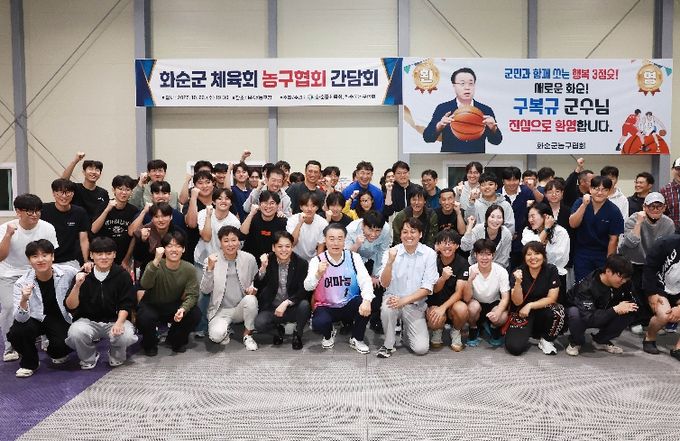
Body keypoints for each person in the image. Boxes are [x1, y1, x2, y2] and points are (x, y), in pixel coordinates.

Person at [0, 194, 58, 363]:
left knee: (47, 302)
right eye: (30, 211)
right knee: (10, 307)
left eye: (37, 211)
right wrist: (8, 235)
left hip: (37, 272)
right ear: (18, 212)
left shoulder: (47, 228)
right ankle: (10, 347)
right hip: (9, 273)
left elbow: (50, 255)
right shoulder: (5, 228)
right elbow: (1, 257)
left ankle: (47, 336)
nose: (35, 215)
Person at [6, 240, 77, 377]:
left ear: (52, 256)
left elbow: (85, 275)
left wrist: (87, 268)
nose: (40, 260)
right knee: (17, 332)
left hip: (59, 318)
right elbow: (20, 319)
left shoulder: (68, 272)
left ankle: (54, 350)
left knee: (63, 348)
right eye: (35, 256)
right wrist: (24, 300)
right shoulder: (21, 283)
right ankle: (29, 363)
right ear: (29, 260)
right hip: (35, 318)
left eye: (45, 255)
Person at [64, 237, 137, 369]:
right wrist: (77, 286)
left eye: (108, 253)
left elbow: (126, 303)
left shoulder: (122, 275)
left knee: (125, 334)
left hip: (115, 320)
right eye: (99, 254)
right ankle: (89, 357)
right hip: (88, 321)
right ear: (92, 255)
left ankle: (116, 355)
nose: (104, 257)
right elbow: (70, 306)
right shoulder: (83, 275)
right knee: (75, 333)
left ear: (114, 254)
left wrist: (120, 322)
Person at [304, 223, 374, 353]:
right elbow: (307, 287)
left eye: (340, 239)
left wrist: (367, 300)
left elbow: (366, 281)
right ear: (325, 240)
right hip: (326, 306)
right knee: (318, 324)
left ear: (344, 240)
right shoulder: (317, 260)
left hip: (348, 303)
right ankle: (329, 333)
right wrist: (318, 274)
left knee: (367, 301)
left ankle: (357, 338)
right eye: (331, 239)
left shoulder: (354, 257)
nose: (336, 243)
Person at [377, 218, 438, 358]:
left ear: (420, 234)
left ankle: (406, 333)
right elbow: (384, 284)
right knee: (387, 307)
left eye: (413, 232)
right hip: (393, 299)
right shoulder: (391, 252)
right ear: (400, 235)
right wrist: (390, 263)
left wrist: (404, 301)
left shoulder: (429, 254)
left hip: (415, 304)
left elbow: (427, 288)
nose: (409, 235)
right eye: (405, 232)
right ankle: (388, 344)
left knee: (421, 349)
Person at [137, 230, 201, 356]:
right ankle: (150, 343)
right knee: (144, 317)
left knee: (194, 314)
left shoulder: (189, 268)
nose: (174, 250)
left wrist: (183, 308)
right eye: (170, 246)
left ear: (183, 249)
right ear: (164, 249)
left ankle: (174, 339)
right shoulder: (154, 264)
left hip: (174, 304)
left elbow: (192, 294)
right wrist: (156, 260)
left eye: (178, 246)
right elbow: (145, 285)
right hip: (151, 304)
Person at [620, 192, 675, 335]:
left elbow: (668, 249)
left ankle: (649, 320)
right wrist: (639, 222)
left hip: (655, 264)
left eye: (659, 206)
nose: (655, 209)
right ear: (644, 207)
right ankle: (635, 320)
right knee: (634, 291)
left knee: (652, 292)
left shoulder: (668, 223)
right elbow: (630, 243)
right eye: (651, 206)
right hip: (633, 260)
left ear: (664, 208)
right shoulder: (633, 219)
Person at [564, 254, 638, 356]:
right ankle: (576, 341)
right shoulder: (587, 286)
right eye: (621, 277)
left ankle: (601, 340)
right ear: (608, 271)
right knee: (574, 313)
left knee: (631, 309)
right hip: (584, 315)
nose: (624, 281)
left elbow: (633, 301)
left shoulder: (624, 283)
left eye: (626, 278)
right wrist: (615, 309)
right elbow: (589, 317)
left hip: (604, 312)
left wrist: (624, 307)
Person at [200, 226, 259, 350]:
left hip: (240, 307)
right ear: (220, 243)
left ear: (239, 242)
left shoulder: (249, 258)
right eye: (226, 241)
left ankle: (248, 335)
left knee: (251, 300)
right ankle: (225, 330)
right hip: (220, 311)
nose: (230, 244)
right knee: (216, 336)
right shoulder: (210, 260)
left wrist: (253, 288)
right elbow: (205, 290)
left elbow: (256, 280)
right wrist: (210, 269)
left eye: (233, 240)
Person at [193, 187, 241, 338]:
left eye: (227, 198)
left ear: (231, 202)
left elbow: (233, 246)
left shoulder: (234, 221)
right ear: (213, 201)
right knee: (202, 295)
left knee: (224, 294)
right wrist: (208, 216)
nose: (223, 201)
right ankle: (201, 327)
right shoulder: (203, 214)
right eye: (219, 198)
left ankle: (225, 324)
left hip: (224, 261)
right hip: (202, 259)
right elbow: (206, 237)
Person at [505, 242, 565, 356]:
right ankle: (528, 333)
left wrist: (530, 305)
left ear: (543, 255)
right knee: (514, 348)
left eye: (537, 253)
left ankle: (546, 339)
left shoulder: (551, 270)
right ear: (524, 257)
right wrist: (518, 283)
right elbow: (517, 302)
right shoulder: (518, 272)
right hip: (522, 313)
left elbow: (552, 298)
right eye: (529, 254)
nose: (533, 257)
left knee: (559, 310)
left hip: (542, 309)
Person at [423, 67, 502, 153]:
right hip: (449, 160)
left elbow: (496, 141)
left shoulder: (485, 110)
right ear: (454, 85)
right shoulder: (443, 108)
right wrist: (440, 125)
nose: (467, 87)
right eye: (462, 84)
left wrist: (493, 128)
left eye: (471, 83)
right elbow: (428, 138)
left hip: (476, 159)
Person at [253, 231, 311, 350]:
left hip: (292, 306)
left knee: (305, 305)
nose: (284, 250)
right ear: (273, 248)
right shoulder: (268, 260)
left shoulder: (301, 263)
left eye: (287, 246)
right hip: (273, 307)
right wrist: (263, 268)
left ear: (292, 247)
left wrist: (287, 303)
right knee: (259, 323)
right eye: (280, 246)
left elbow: (304, 291)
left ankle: (297, 334)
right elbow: (257, 285)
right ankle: (278, 331)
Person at [569, 176, 624, 283]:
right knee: (582, 284)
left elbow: (613, 239)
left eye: (604, 190)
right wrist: (584, 205)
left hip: (602, 254)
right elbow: (573, 224)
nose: (600, 193)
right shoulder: (580, 202)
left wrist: (609, 263)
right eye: (596, 189)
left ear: (609, 191)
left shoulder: (614, 211)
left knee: (601, 284)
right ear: (590, 189)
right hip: (582, 252)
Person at [345, 210, 392, 333]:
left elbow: (383, 252)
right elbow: (346, 256)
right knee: (352, 288)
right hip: (355, 259)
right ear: (363, 226)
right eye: (370, 230)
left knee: (378, 287)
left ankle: (375, 320)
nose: (373, 234)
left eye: (377, 231)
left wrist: (376, 275)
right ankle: (348, 321)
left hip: (374, 259)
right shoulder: (351, 229)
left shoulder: (386, 229)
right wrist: (356, 245)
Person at [461, 239, 510, 347]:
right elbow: (466, 298)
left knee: (503, 316)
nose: (484, 258)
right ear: (475, 255)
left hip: (493, 303)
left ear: (493, 255)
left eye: (488, 254)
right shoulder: (470, 270)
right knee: (472, 307)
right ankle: (473, 328)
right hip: (476, 304)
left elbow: (505, 297)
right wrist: (470, 280)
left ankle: (494, 327)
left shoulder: (501, 271)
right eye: (481, 254)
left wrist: (497, 313)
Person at [428, 230, 469, 351]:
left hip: (453, 304)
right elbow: (434, 290)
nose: (447, 246)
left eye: (451, 243)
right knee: (434, 319)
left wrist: (443, 308)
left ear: (457, 246)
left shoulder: (463, 263)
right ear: (437, 245)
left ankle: (456, 331)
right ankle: (437, 330)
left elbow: (459, 293)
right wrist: (443, 278)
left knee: (462, 309)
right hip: (434, 302)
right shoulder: (431, 261)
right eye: (444, 243)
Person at [642, 232, 680, 361]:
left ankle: (678, 349)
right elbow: (649, 268)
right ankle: (649, 337)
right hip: (660, 286)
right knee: (664, 316)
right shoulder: (667, 242)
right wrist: (651, 293)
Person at [91, 175, 138, 269]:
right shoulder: (103, 206)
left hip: (123, 257)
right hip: (103, 255)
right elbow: (94, 229)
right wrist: (107, 210)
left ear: (131, 192)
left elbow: (133, 237)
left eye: (127, 189)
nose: (124, 192)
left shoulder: (133, 210)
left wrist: (126, 259)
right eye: (120, 189)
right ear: (113, 190)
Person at [40, 178, 90, 268]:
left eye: (68, 192)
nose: (64, 196)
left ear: (73, 193)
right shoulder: (43, 210)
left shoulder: (79, 212)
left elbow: (83, 239)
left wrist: (87, 261)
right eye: (60, 192)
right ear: (53, 193)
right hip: (46, 259)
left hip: (70, 260)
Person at [500, 167, 538, 267]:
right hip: (502, 241)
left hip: (523, 240)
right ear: (503, 181)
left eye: (515, 180)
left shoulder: (527, 192)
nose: (512, 183)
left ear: (519, 180)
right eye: (509, 180)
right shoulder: (498, 195)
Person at [241, 190, 288, 265]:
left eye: (272, 203)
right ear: (259, 204)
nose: (268, 206)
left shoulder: (283, 221)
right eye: (265, 203)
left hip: (272, 262)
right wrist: (251, 214)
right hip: (250, 261)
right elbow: (242, 235)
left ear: (278, 205)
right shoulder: (252, 217)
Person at [61, 152, 110, 221]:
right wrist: (75, 161)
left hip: (95, 226)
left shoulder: (103, 193)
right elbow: (63, 181)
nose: (94, 172)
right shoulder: (75, 188)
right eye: (90, 169)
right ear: (84, 172)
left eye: (97, 170)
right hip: (76, 224)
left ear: (100, 174)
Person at [461, 205, 512, 269]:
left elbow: (504, 258)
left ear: (503, 220)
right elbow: (465, 247)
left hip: (497, 268)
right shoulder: (478, 229)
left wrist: (491, 270)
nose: (495, 220)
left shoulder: (506, 234)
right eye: (492, 217)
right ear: (487, 218)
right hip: (475, 266)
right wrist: (470, 226)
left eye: (499, 217)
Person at [183, 170, 216, 264]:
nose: (204, 186)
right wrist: (193, 197)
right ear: (194, 186)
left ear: (213, 184)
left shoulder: (219, 201)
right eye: (200, 183)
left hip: (217, 249)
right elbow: (191, 224)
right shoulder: (190, 203)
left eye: (208, 182)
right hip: (194, 250)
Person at [286, 193, 328, 261]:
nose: (309, 209)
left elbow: (321, 247)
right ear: (301, 207)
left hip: (312, 259)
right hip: (293, 258)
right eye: (306, 206)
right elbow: (292, 243)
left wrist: (318, 263)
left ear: (317, 207)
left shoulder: (323, 223)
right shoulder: (292, 220)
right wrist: (300, 223)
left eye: (313, 206)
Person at [659, 157, 680, 230]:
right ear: (672, 170)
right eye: (678, 169)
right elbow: (660, 214)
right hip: (672, 232)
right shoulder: (664, 191)